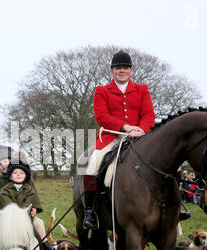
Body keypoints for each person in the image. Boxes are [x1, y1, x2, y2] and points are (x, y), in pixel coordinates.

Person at [81, 50, 189, 229]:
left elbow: (148, 114)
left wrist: (140, 130)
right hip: (111, 137)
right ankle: (90, 211)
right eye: (117, 68)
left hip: (140, 136)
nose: (121, 70)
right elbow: (101, 116)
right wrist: (125, 127)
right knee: (93, 163)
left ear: (131, 71)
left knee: (172, 164)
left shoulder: (142, 90)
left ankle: (176, 206)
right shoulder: (102, 91)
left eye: (125, 67)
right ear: (111, 71)